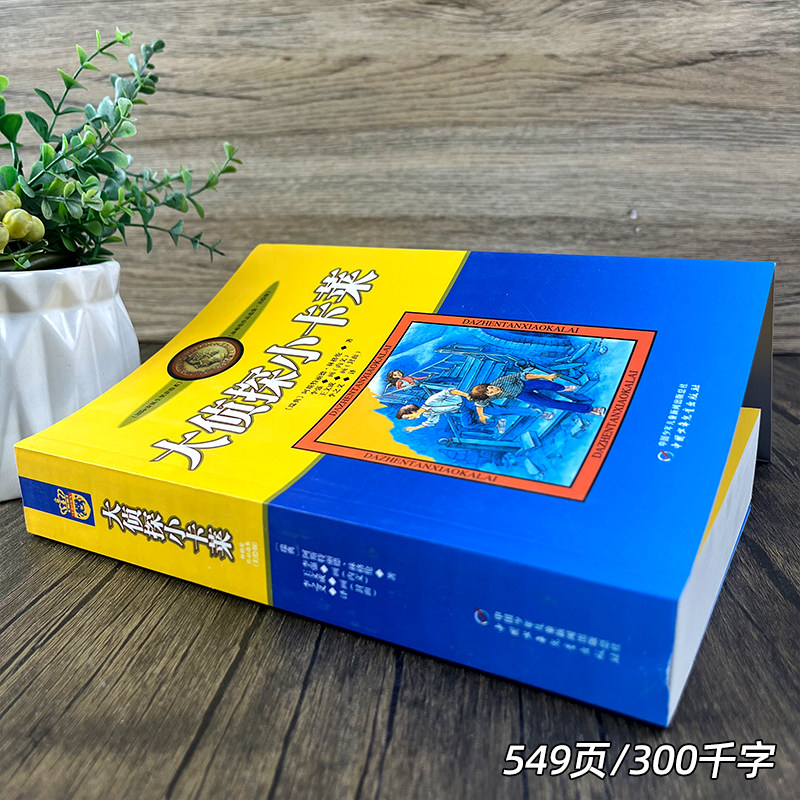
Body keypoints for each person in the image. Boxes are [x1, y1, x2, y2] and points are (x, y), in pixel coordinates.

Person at [470, 371, 605, 417]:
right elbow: (479, 405)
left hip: (524, 384)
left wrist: (546, 376)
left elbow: (524, 375)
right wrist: (481, 416)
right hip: (520, 395)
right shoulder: (485, 399)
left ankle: (562, 388)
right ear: (489, 396)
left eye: (491, 387)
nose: (494, 390)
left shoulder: (501, 381)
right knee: (551, 404)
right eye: (491, 392)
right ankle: (590, 410)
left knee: (549, 385)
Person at [395, 388, 494, 433]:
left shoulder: (430, 401)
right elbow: (430, 422)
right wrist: (414, 428)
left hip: (465, 401)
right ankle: (494, 424)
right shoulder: (428, 414)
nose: (410, 419)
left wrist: (467, 395)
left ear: (413, 411)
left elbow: (449, 391)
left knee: (490, 411)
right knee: (467, 424)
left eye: (408, 417)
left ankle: (495, 417)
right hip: (462, 409)